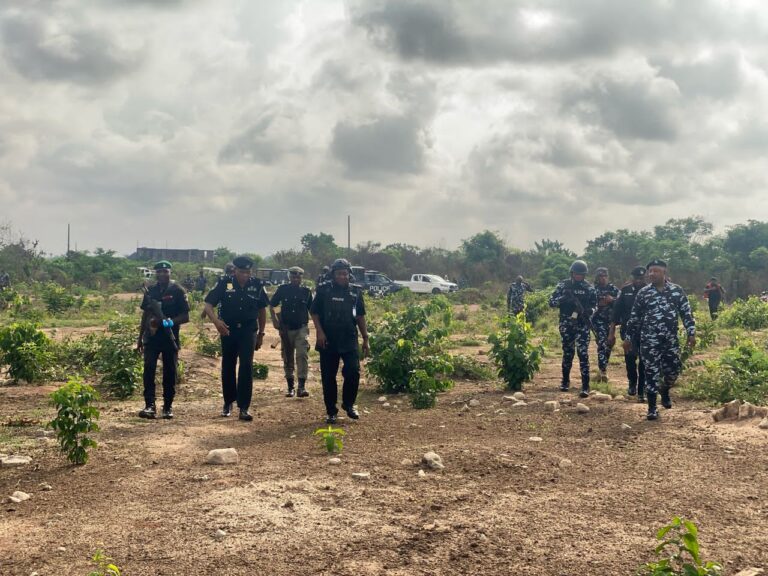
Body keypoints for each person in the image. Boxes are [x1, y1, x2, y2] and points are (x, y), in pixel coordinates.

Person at [624, 259, 696, 421]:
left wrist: (691, 333)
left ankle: (664, 390)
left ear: (664, 272)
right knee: (651, 372)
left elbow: (686, 313)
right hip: (649, 340)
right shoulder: (644, 293)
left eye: (655, 271)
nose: (651, 274)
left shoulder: (677, 291)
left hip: (670, 340)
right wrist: (628, 338)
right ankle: (652, 408)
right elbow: (634, 317)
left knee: (673, 371)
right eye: (650, 271)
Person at [203, 255, 269, 421]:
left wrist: (261, 333)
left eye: (248, 272)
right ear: (235, 270)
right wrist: (216, 322)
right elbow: (208, 304)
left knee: (246, 365)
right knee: (228, 364)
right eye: (241, 272)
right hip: (228, 330)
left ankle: (244, 407)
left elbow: (262, 310)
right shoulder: (224, 283)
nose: (245, 275)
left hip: (248, 330)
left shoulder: (257, 285)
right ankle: (228, 402)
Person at [310, 258, 370, 424]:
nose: (342, 277)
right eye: (339, 274)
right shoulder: (323, 290)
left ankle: (349, 404)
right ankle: (331, 411)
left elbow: (360, 316)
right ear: (333, 275)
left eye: (345, 273)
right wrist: (319, 333)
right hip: (328, 339)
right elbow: (314, 312)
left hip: (349, 338)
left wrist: (365, 338)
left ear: (349, 274)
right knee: (328, 377)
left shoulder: (356, 292)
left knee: (353, 371)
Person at [136, 260, 190, 419]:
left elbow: (186, 316)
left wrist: (169, 321)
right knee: (149, 369)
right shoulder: (151, 291)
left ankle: (167, 406)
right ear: (156, 273)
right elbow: (145, 315)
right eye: (159, 271)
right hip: (152, 337)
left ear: (170, 273)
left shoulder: (178, 290)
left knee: (170, 372)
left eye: (165, 272)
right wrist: (140, 338)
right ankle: (149, 405)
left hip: (169, 337)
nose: (162, 274)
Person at [548, 260, 597, 397]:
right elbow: (551, 302)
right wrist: (564, 299)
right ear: (571, 273)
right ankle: (565, 381)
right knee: (568, 352)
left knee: (583, 353)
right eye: (576, 274)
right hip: (567, 323)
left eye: (581, 274)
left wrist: (590, 311)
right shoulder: (563, 285)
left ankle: (585, 386)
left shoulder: (589, 288)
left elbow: (595, 305)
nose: (578, 276)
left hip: (582, 324)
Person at [270, 266, 313, 398]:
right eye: (293, 276)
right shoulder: (283, 290)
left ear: (301, 278)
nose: (296, 279)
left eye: (298, 277)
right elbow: (274, 304)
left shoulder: (306, 292)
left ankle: (301, 386)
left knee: (302, 355)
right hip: (286, 328)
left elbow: (313, 310)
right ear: (289, 277)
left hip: (301, 328)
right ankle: (290, 387)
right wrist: (276, 321)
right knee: (287, 357)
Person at [607, 266, 648, 401]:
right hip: (628, 330)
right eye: (636, 278)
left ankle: (642, 389)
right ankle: (632, 383)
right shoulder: (625, 291)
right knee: (630, 358)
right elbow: (616, 312)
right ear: (632, 278)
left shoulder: (650, 291)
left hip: (646, 331)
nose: (638, 281)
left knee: (644, 360)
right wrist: (611, 333)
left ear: (644, 278)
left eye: (641, 278)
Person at [591, 268, 619, 382]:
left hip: (610, 322)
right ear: (597, 277)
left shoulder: (613, 289)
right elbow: (587, 302)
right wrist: (597, 303)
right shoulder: (593, 289)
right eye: (600, 276)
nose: (602, 278)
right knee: (602, 344)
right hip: (598, 321)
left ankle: (603, 367)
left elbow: (622, 301)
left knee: (609, 344)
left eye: (604, 276)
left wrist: (612, 300)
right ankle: (603, 371)